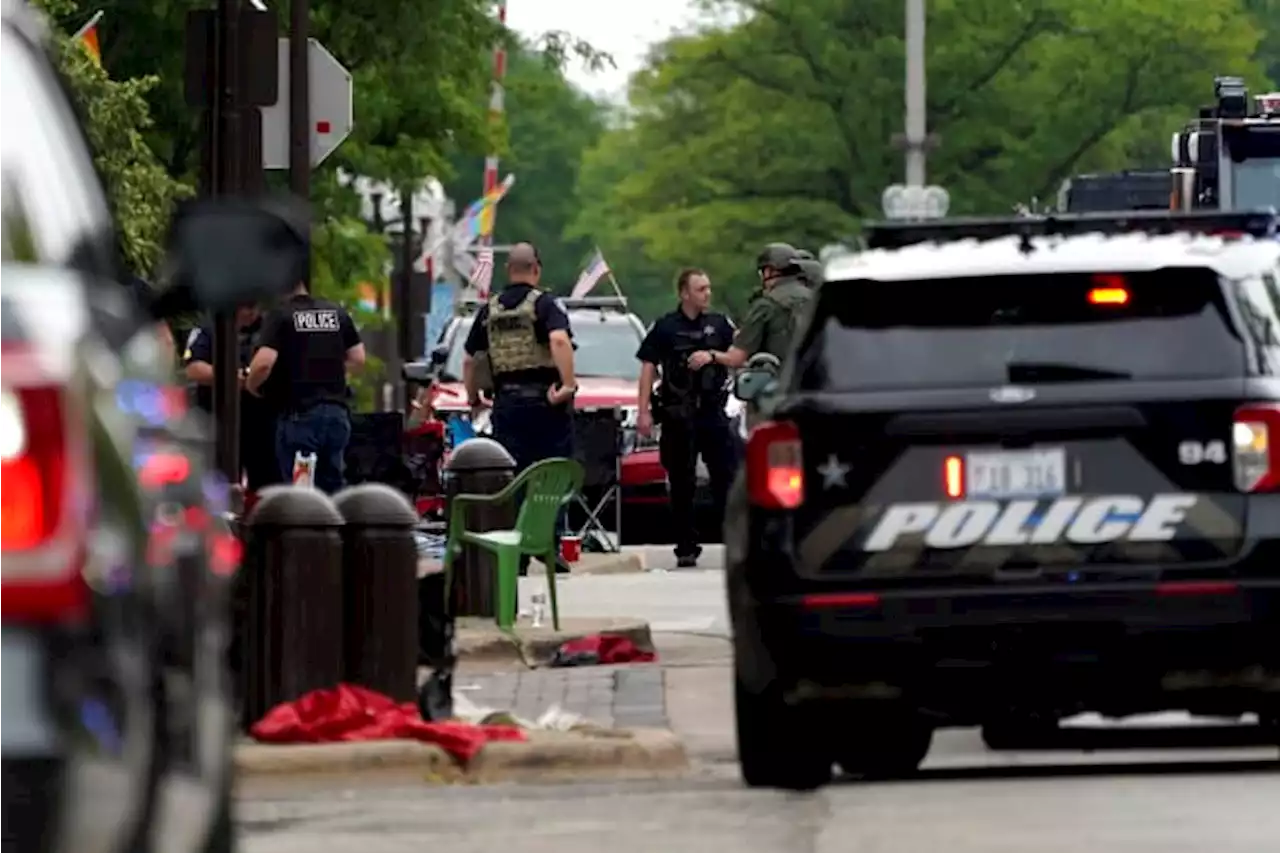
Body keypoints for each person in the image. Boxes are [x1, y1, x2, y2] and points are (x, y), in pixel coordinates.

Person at [636, 268, 737, 568]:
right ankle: (686, 546)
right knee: (681, 483)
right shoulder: (666, 327)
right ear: (684, 293)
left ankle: (736, 542)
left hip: (712, 411)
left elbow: (739, 356)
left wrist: (712, 355)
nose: (707, 294)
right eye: (701, 289)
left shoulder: (720, 325)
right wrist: (642, 410)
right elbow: (647, 368)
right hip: (678, 414)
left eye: (708, 288)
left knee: (726, 478)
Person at [462, 242, 577, 473]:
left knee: (511, 474)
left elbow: (469, 359)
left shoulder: (489, 310)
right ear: (536, 269)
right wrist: (568, 385)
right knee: (550, 472)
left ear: (508, 268)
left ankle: (516, 510)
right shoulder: (546, 304)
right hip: (546, 403)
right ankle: (546, 511)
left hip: (506, 405)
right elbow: (559, 340)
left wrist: (473, 398)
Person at [245, 280, 365, 494]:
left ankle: (304, 527)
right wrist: (330, 371)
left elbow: (263, 363)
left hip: (300, 416)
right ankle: (333, 526)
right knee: (332, 486)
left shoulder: (281, 315)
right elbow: (358, 357)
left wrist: (251, 385)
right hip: (337, 414)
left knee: (301, 490)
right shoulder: (336, 312)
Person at [182, 303, 282, 493]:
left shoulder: (270, 327)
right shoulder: (209, 327)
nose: (252, 311)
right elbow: (193, 368)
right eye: (247, 306)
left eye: (255, 306)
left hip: (261, 421)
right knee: (217, 481)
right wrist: (234, 378)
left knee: (267, 485)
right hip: (217, 419)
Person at [722, 242, 813, 368]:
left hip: (779, 382)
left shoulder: (765, 305)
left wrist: (711, 356)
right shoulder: (814, 298)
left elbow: (736, 358)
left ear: (769, 271)